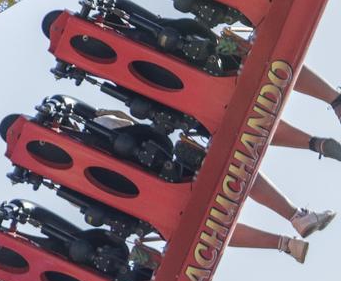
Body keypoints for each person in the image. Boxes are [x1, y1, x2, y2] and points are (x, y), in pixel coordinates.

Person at [91, 111, 333, 263]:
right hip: (166, 180)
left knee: (207, 226)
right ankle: (295, 217)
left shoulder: (85, 168)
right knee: (233, 170)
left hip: (153, 206)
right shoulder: (101, 123)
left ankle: (285, 244)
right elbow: (147, 137)